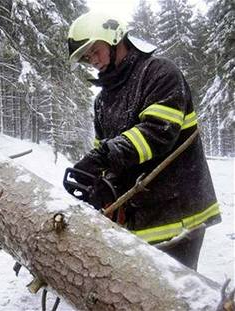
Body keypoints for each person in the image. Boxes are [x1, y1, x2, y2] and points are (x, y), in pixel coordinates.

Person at [64, 11, 221, 270]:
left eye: (95, 50)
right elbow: (103, 149)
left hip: (177, 211)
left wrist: (102, 157)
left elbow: (158, 132)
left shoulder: (160, 73)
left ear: (113, 39)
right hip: (139, 212)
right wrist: (102, 182)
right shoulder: (103, 99)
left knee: (171, 293)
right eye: (87, 57)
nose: (93, 61)